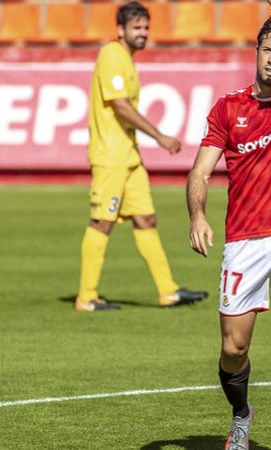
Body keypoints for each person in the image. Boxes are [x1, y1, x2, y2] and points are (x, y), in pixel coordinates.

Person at [186, 1, 271, 449]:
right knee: (233, 350)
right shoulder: (228, 108)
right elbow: (200, 172)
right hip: (243, 240)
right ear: (257, 51)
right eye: (268, 50)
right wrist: (198, 215)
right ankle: (241, 414)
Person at [77, 1, 207, 311]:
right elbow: (120, 105)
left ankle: (168, 291)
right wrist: (160, 136)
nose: (143, 33)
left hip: (129, 156)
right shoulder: (112, 55)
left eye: (146, 27)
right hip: (111, 156)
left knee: (146, 218)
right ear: (120, 30)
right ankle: (86, 296)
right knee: (102, 222)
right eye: (137, 27)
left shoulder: (126, 59)